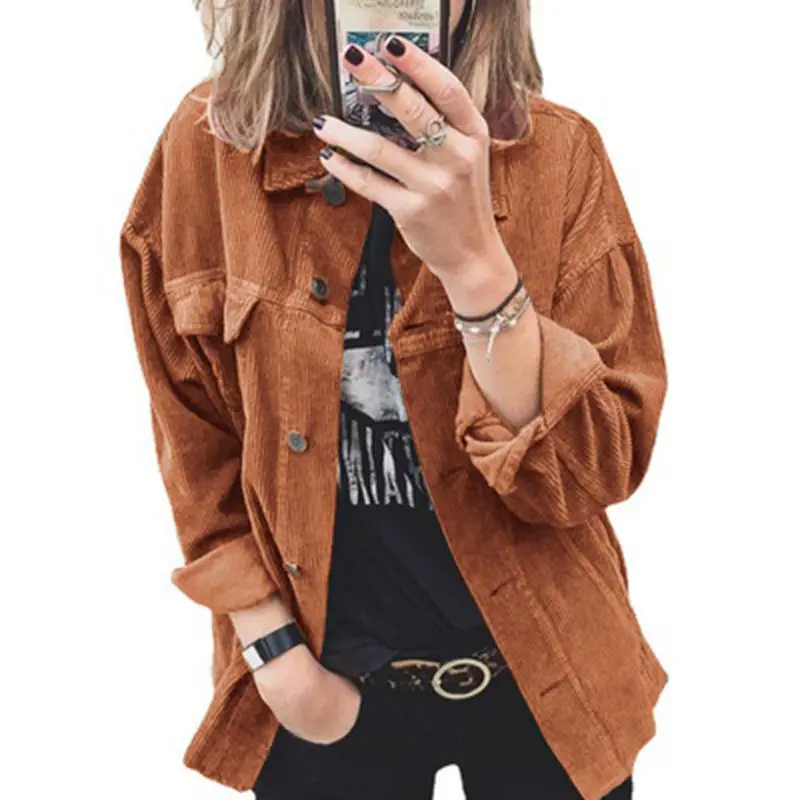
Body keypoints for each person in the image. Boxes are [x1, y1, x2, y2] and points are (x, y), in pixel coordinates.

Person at [119, 1, 668, 798]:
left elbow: (596, 470)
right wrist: (275, 658)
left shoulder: (558, 156)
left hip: (550, 678)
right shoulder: (207, 150)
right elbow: (192, 432)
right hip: (322, 682)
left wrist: (477, 266)